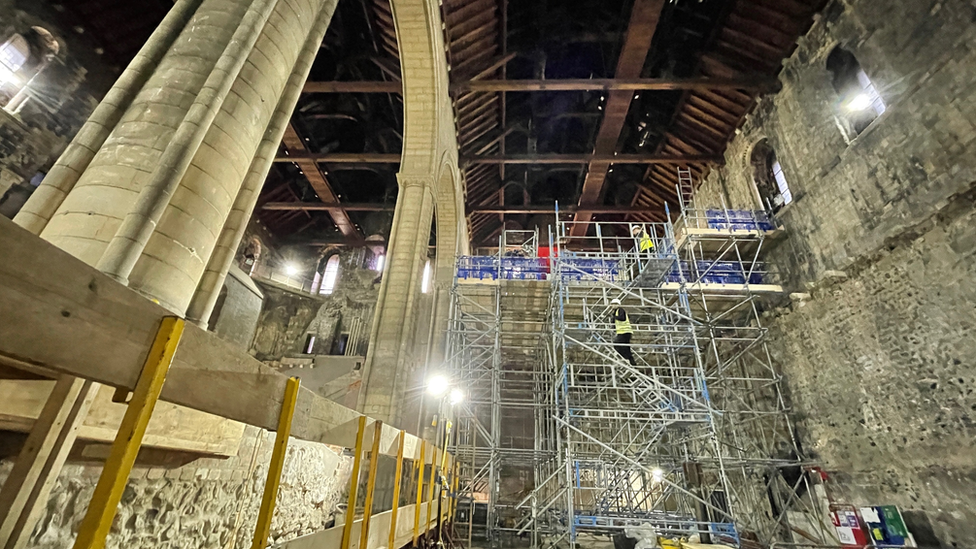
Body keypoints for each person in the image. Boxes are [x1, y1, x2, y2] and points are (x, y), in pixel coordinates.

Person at [610, 298, 636, 366]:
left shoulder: (620, 310)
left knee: (617, 345)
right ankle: (632, 362)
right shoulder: (616, 312)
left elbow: (622, 318)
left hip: (625, 331)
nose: (613, 306)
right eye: (612, 304)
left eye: (615, 304)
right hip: (622, 332)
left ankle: (626, 358)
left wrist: (614, 316)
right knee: (626, 348)